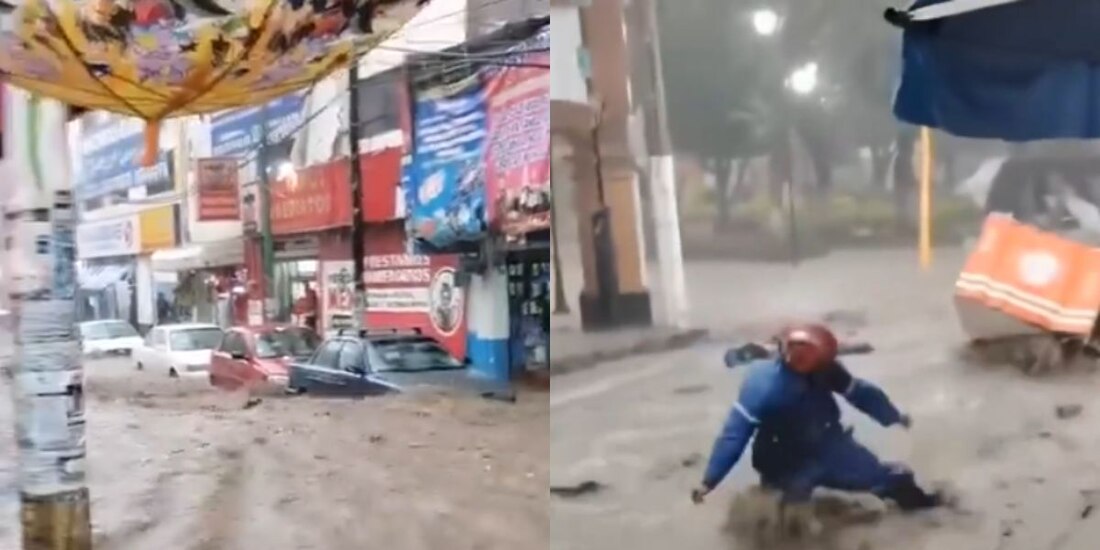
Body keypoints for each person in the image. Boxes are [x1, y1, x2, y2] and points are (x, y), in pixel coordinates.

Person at [691, 323, 942, 516]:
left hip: (827, 443)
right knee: (788, 513)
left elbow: (861, 394)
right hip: (783, 456)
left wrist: (893, 417)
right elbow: (734, 435)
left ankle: (930, 510)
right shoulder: (763, 386)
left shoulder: (825, 368)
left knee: (891, 479)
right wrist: (709, 481)